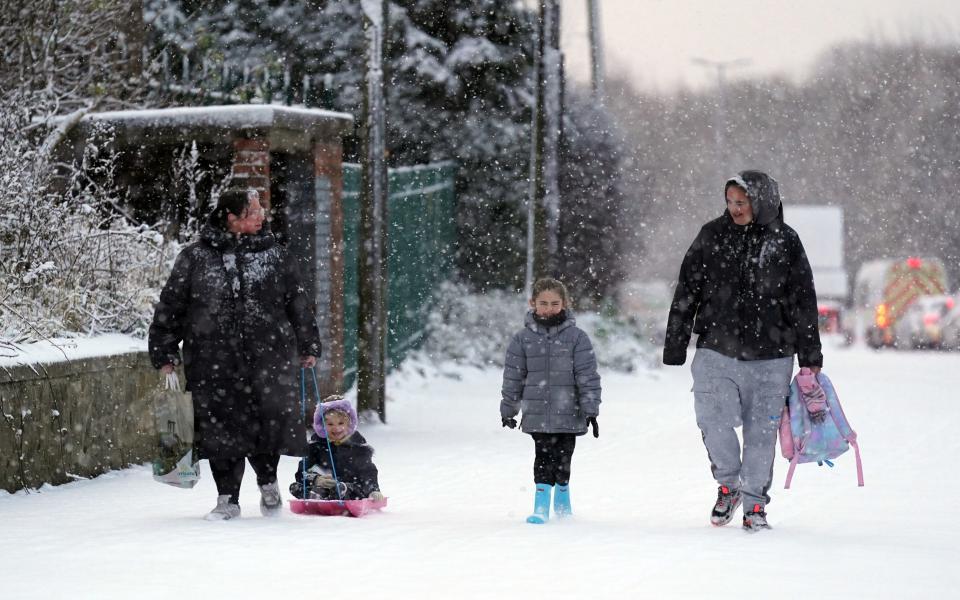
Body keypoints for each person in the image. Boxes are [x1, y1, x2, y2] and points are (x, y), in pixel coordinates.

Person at [663, 170, 822, 533]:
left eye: (742, 202)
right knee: (712, 422)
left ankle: (754, 504)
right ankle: (728, 485)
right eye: (730, 202)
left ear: (761, 201)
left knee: (761, 433)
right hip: (716, 349)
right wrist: (676, 343)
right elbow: (687, 288)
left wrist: (810, 356)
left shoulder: (785, 241)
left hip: (773, 355)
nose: (734, 209)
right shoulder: (711, 236)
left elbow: (803, 301)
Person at [149, 189, 322, 521]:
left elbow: (298, 304)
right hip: (213, 362)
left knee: (267, 422)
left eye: (260, 210)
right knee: (219, 430)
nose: (262, 216)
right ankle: (227, 497)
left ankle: (268, 482)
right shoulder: (195, 258)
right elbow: (171, 308)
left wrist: (308, 344)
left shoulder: (277, 256)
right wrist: (164, 353)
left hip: (268, 358)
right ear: (231, 217)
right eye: (253, 211)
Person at [500, 277, 601, 524]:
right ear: (533, 303)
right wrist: (509, 409)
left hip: (569, 411)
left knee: (564, 457)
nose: (549, 308)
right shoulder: (522, 339)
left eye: (555, 303)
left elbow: (587, 376)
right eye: (543, 303)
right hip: (536, 411)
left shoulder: (577, 338)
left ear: (565, 303)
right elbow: (513, 376)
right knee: (543, 456)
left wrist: (591, 409)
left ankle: (563, 495)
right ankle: (541, 505)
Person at [290, 396, 383, 502]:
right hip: (325, 486)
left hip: (352, 488)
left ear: (349, 424)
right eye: (330, 424)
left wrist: (373, 490)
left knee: (350, 489)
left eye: (341, 423)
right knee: (296, 486)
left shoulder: (357, 446)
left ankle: (335, 492)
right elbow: (303, 471)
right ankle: (315, 495)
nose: (336, 428)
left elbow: (367, 472)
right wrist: (316, 479)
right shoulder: (316, 445)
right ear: (322, 425)